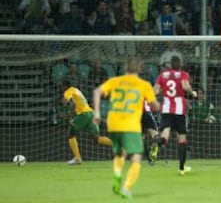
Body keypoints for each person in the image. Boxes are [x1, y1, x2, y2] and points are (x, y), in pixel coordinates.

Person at [93, 57, 160, 199]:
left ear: (125, 69)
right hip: (130, 124)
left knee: (120, 153)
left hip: (113, 122)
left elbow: (97, 92)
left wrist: (97, 113)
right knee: (136, 156)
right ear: (140, 69)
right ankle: (126, 187)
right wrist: (160, 106)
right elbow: (154, 105)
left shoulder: (115, 81)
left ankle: (117, 175)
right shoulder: (144, 85)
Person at [151, 55, 197, 175]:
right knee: (181, 138)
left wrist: (162, 91)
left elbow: (155, 91)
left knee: (165, 136)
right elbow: (185, 86)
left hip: (166, 109)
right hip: (179, 110)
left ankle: (157, 144)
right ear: (180, 65)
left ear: (170, 65)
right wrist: (193, 93)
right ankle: (181, 168)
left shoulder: (163, 75)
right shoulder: (183, 74)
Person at [61, 80, 112, 165]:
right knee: (97, 139)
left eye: (62, 87)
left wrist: (62, 104)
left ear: (65, 86)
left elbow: (65, 101)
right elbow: (74, 105)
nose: (61, 89)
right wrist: (70, 117)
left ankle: (77, 158)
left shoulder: (69, 91)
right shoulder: (77, 91)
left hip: (84, 114)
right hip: (91, 114)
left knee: (71, 134)